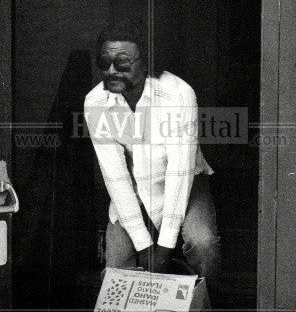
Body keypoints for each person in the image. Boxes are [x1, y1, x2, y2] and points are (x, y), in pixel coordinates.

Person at [84, 25, 221, 285]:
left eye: (122, 62)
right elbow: (115, 177)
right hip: (134, 189)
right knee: (117, 269)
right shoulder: (95, 102)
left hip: (186, 183)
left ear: (146, 62)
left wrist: (164, 249)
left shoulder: (178, 94)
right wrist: (144, 245)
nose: (111, 70)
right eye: (105, 61)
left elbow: (179, 174)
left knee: (202, 243)